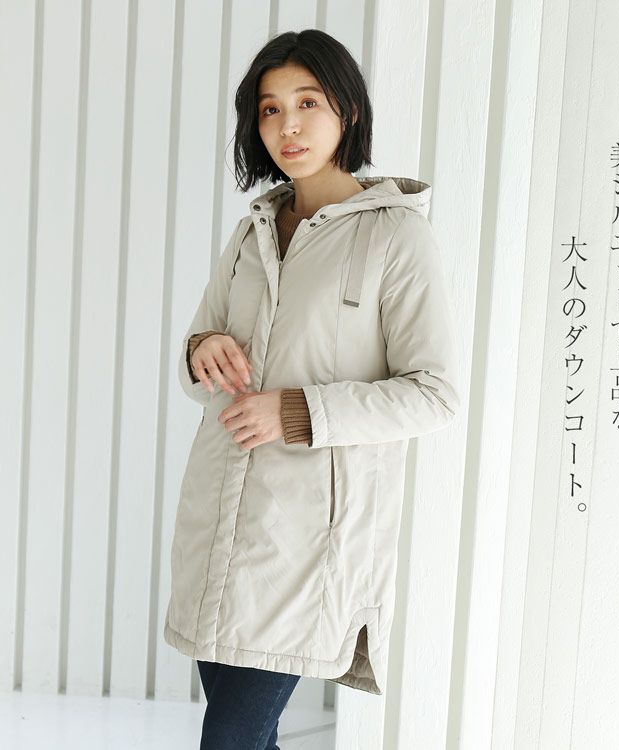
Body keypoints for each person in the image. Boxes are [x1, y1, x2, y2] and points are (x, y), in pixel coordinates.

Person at [163, 28, 461, 750]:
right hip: (218, 520)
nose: (287, 126)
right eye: (269, 110)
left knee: (231, 737)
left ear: (347, 111)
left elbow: (434, 393)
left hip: (308, 543)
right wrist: (204, 352)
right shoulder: (252, 232)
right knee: (245, 736)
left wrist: (296, 412)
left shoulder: (396, 237)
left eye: (307, 103)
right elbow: (199, 354)